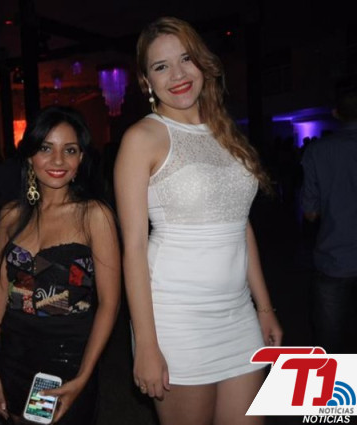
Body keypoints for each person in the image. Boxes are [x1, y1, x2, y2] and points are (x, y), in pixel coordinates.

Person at [113, 17, 282, 425]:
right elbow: (133, 247)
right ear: (145, 81)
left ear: (202, 63)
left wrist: (264, 307)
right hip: (176, 321)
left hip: (238, 316)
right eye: (161, 66)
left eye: (186, 58)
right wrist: (147, 344)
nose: (178, 74)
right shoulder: (142, 139)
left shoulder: (226, 133)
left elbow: (241, 225)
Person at [0, 106, 121, 425]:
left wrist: (83, 375)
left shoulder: (94, 215)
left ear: (81, 159)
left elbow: (110, 303)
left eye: (69, 150)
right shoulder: (10, 215)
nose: (58, 160)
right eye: (46, 148)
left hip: (67, 360)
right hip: (13, 355)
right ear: (30, 155)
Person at [300, 80, 357, 354]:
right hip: (336, 259)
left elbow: (310, 213)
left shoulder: (318, 151)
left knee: (330, 346)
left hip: (335, 259)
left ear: (336, 113)